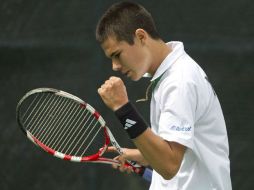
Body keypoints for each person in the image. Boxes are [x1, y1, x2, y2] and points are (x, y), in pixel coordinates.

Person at [96, 1, 232, 190]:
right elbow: (177, 150)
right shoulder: (172, 74)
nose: (115, 66)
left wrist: (123, 108)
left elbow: (169, 165)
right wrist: (142, 155)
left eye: (117, 55)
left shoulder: (179, 81)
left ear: (141, 36)